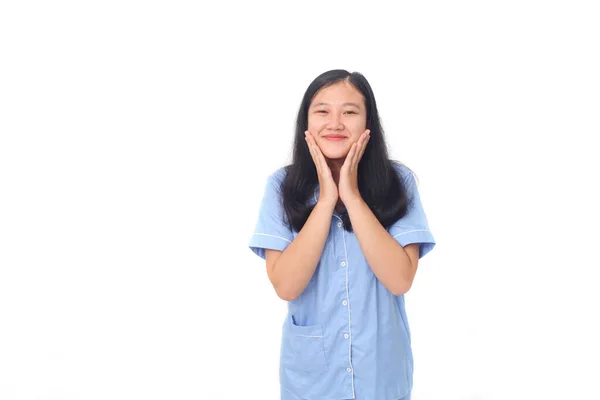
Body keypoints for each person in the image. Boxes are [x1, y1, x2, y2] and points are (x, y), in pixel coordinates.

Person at [248, 69, 436, 400]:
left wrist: (352, 196)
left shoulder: (398, 181)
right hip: (311, 384)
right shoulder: (281, 186)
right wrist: (326, 201)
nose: (335, 123)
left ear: (368, 124)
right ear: (306, 122)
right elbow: (286, 285)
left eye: (349, 112)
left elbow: (400, 279)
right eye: (322, 111)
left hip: (382, 377)